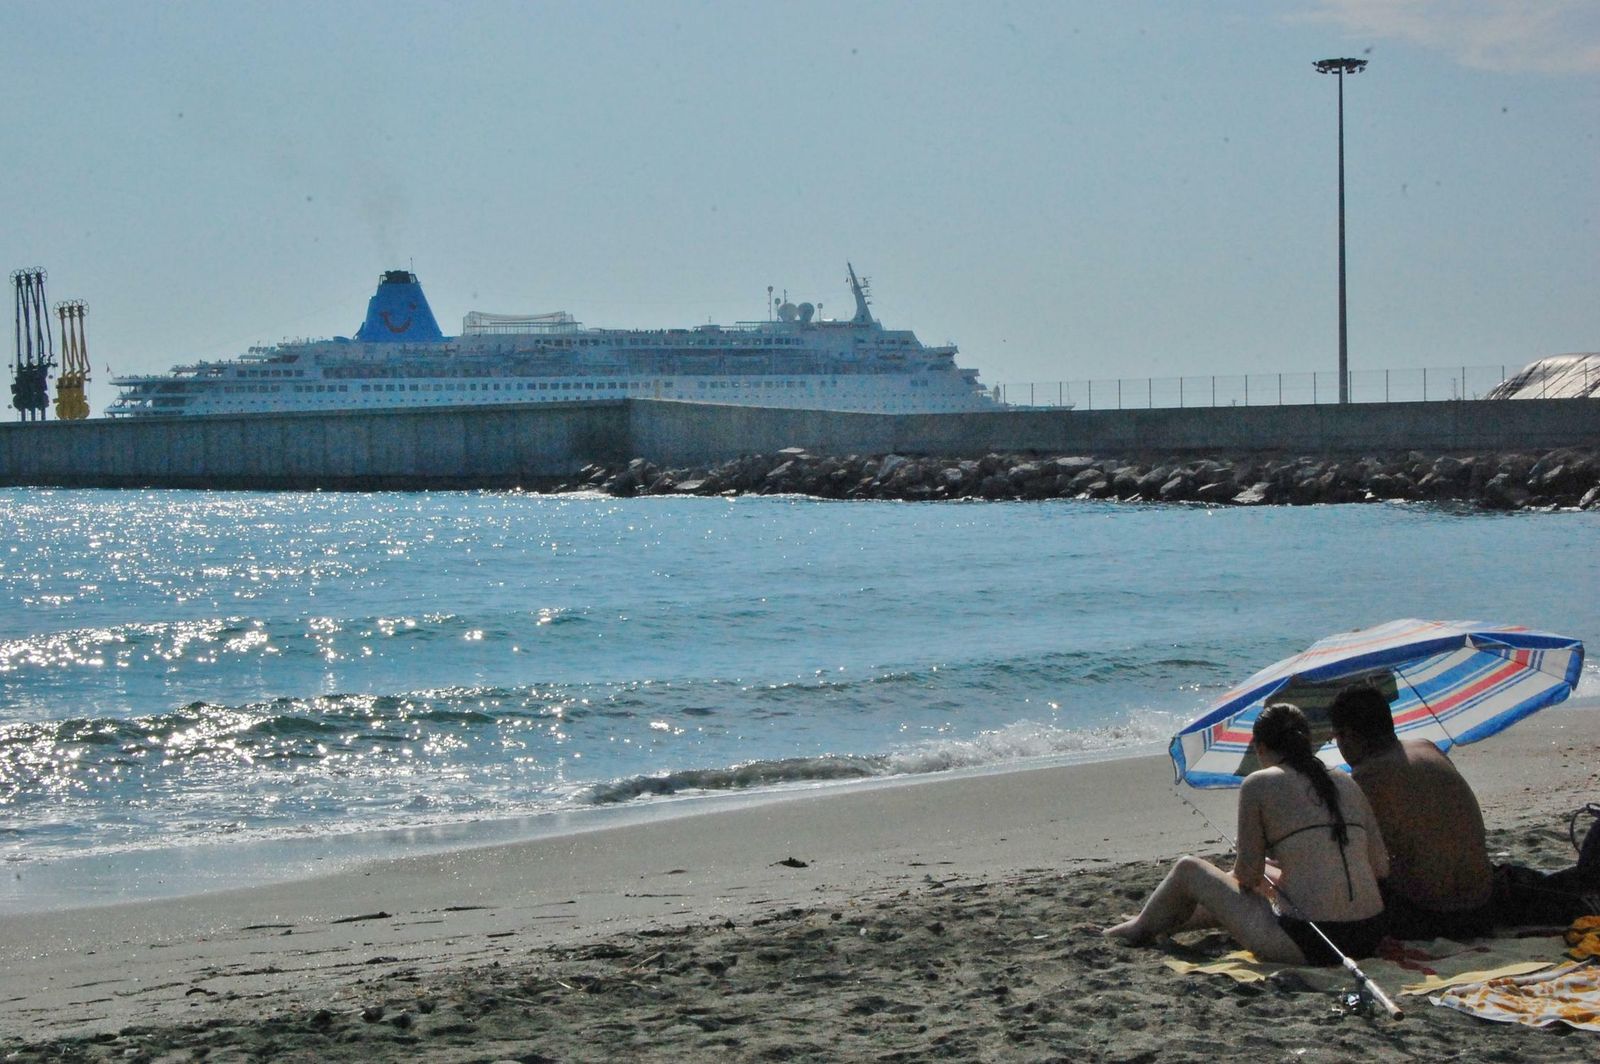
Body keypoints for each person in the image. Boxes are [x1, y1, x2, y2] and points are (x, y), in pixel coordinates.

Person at [1106, 702, 1389, 965]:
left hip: (1312, 941)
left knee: (1189, 869)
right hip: (1370, 933)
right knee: (1269, 873)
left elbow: (1247, 876)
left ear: (1260, 748)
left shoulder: (1259, 783)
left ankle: (1139, 928)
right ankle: (1157, 918)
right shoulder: (1346, 780)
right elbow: (1379, 867)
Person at [1327, 684, 1497, 940]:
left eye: (1335, 738)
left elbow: (1353, 859)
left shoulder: (1368, 777)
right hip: (1485, 904)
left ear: (1347, 735)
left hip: (1431, 916)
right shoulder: (1427, 747)